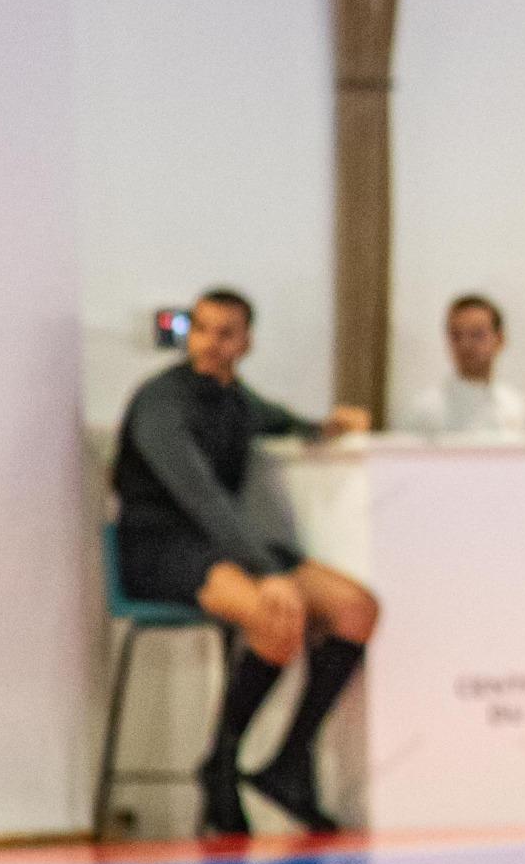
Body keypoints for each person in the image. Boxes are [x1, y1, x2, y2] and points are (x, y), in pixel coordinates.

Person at [109, 287, 378, 836]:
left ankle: (289, 761)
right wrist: (268, 570)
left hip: (226, 543)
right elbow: (200, 495)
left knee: (355, 609)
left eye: (224, 332)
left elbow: (275, 419)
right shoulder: (162, 402)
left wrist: (325, 427)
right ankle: (220, 766)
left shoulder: (234, 398)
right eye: (201, 329)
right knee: (276, 612)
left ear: (246, 342)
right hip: (160, 545)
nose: (209, 342)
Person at [399, 293, 525, 439]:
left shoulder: (514, 405)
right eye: (456, 335)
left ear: (500, 340)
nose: (465, 345)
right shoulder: (424, 412)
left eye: (477, 334)